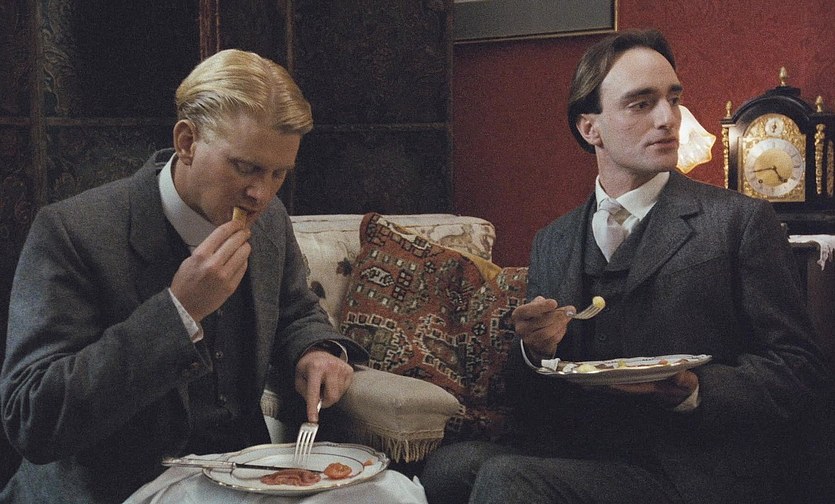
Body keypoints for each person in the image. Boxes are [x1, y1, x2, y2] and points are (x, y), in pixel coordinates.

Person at [420, 29, 834, 504]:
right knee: (448, 468)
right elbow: (532, 404)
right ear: (590, 129)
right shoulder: (554, 240)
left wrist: (695, 390)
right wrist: (533, 351)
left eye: (672, 99)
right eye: (641, 104)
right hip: (585, 455)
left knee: (509, 479)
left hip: (692, 471)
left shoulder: (740, 221)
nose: (668, 118)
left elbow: (800, 370)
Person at [0, 49, 366, 503]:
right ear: (187, 141)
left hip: (245, 477)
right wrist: (179, 311)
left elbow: (295, 312)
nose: (261, 193)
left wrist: (316, 350)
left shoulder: (269, 220)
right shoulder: (71, 232)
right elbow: (31, 418)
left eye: (279, 173)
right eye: (246, 167)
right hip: (117, 490)